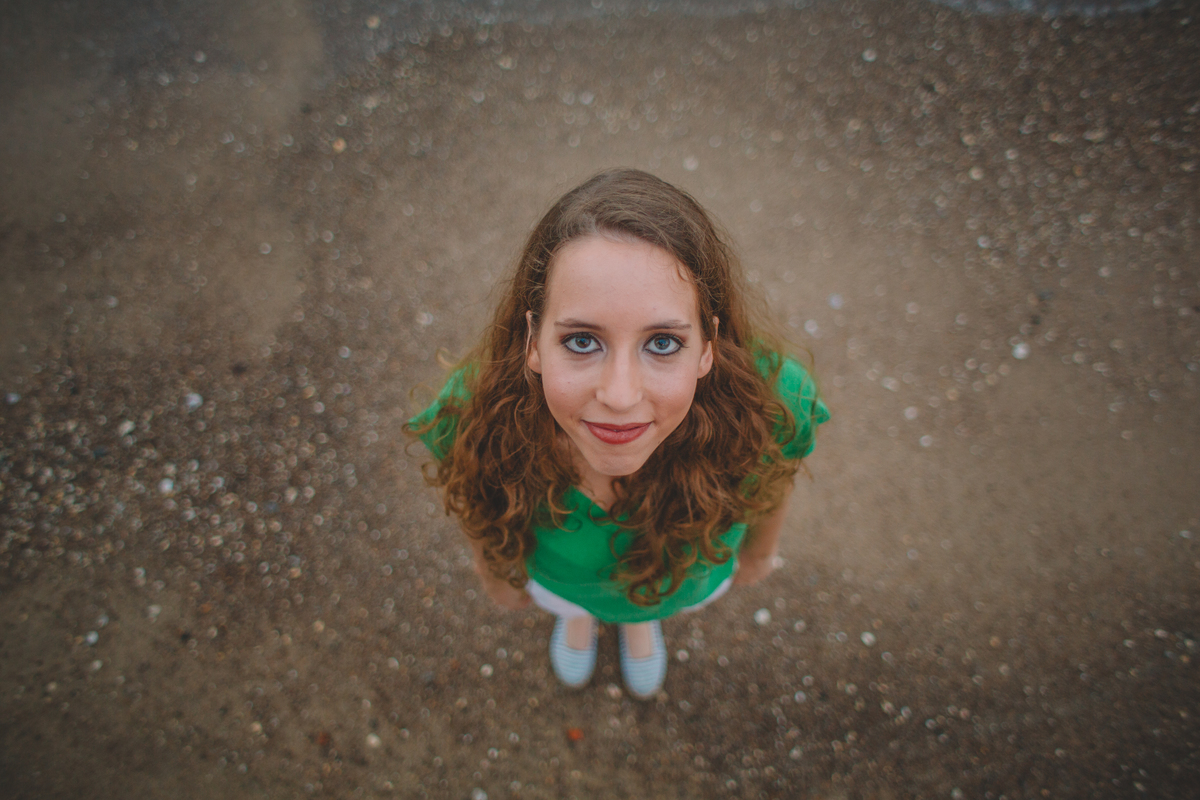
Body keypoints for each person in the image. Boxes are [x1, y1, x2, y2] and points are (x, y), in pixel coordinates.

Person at [406, 168, 828, 699]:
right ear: (534, 340)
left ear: (707, 347)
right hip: (559, 582)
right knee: (576, 604)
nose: (621, 396)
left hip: (682, 580)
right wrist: (494, 574)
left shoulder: (773, 403)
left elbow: (775, 484)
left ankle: (639, 618)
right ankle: (581, 616)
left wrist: (762, 554)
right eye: (583, 341)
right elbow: (476, 501)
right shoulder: (472, 412)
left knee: (647, 600)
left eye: (662, 343)